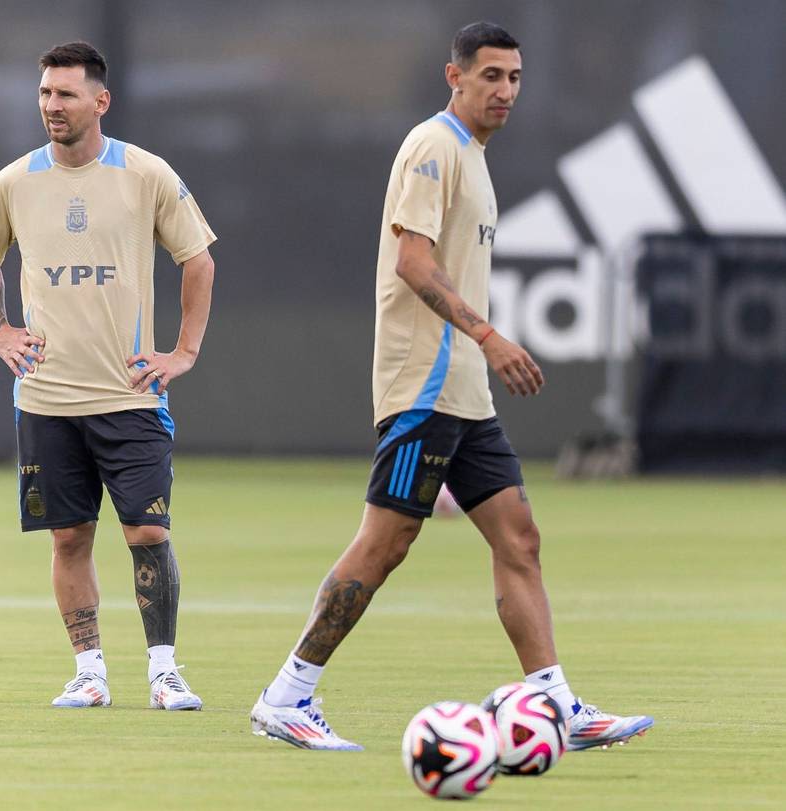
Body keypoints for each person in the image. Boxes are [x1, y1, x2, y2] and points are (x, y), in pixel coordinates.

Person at [249, 22, 653, 750]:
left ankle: (556, 704)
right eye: (490, 76)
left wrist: (480, 354)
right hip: (424, 384)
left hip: (466, 394)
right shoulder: (434, 146)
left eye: (515, 78)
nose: (505, 90)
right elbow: (413, 262)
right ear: (454, 76)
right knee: (388, 540)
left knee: (520, 538)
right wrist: (489, 334)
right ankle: (288, 693)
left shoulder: (474, 155)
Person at [0, 41, 216, 711]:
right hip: (45, 397)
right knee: (70, 535)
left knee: (148, 533)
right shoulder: (14, 181)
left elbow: (198, 259)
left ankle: (164, 670)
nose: (53, 105)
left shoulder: (145, 173)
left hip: (128, 394)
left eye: (66, 94)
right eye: (45, 93)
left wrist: (182, 352)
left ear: (100, 101)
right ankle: (89, 671)